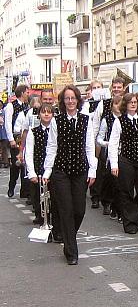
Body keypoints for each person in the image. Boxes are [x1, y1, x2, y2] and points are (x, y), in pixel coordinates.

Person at [43, 85, 97, 265]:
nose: (70, 101)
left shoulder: (85, 120)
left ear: (78, 100)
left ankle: (68, 238)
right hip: (61, 171)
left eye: (73, 98)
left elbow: (89, 147)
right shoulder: (56, 121)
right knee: (66, 209)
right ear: (63, 101)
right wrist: (47, 171)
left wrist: (92, 170)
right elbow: (52, 147)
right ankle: (71, 252)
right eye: (67, 98)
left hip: (80, 170)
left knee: (79, 210)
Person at [108, 93, 138, 234]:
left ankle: (133, 214)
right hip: (126, 159)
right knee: (126, 191)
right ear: (126, 104)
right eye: (130, 102)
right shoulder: (119, 121)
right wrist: (114, 165)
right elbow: (113, 143)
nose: (133, 104)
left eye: (135, 102)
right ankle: (129, 222)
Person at [24, 104, 54, 226]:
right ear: (39, 115)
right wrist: (31, 172)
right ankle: (40, 215)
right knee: (37, 195)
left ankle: (51, 216)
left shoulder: (55, 130)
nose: (46, 114)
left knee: (52, 195)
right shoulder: (33, 132)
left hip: (52, 167)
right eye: (43, 112)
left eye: (49, 112)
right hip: (38, 166)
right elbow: (29, 152)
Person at [97, 96, 123, 220]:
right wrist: (109, 143)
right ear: (112, 106)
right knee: (111, 180)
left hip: (123, 153)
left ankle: (119, 208)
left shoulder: (125, 119)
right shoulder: (106, 120)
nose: (118, 106)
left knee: (121, 183)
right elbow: (99, 139)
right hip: (110, 153)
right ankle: (108, 203)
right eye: (116, 104)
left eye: (120, 103)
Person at [5, 84, 30, 197]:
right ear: (22, 93)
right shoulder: (11, 106)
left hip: (25, 137)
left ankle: (24, 191)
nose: (28, 94)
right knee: (16, 165)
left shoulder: (27, 106)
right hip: (16, 137)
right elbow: (8, 123)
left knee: (25, 164)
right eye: (27, 92)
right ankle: (11, 187)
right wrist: (11, 139)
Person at [0, 100, 9, 168]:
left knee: (4, 148)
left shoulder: (5, 112)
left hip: (4, 134)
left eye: (1, 105)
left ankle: (6, 162)